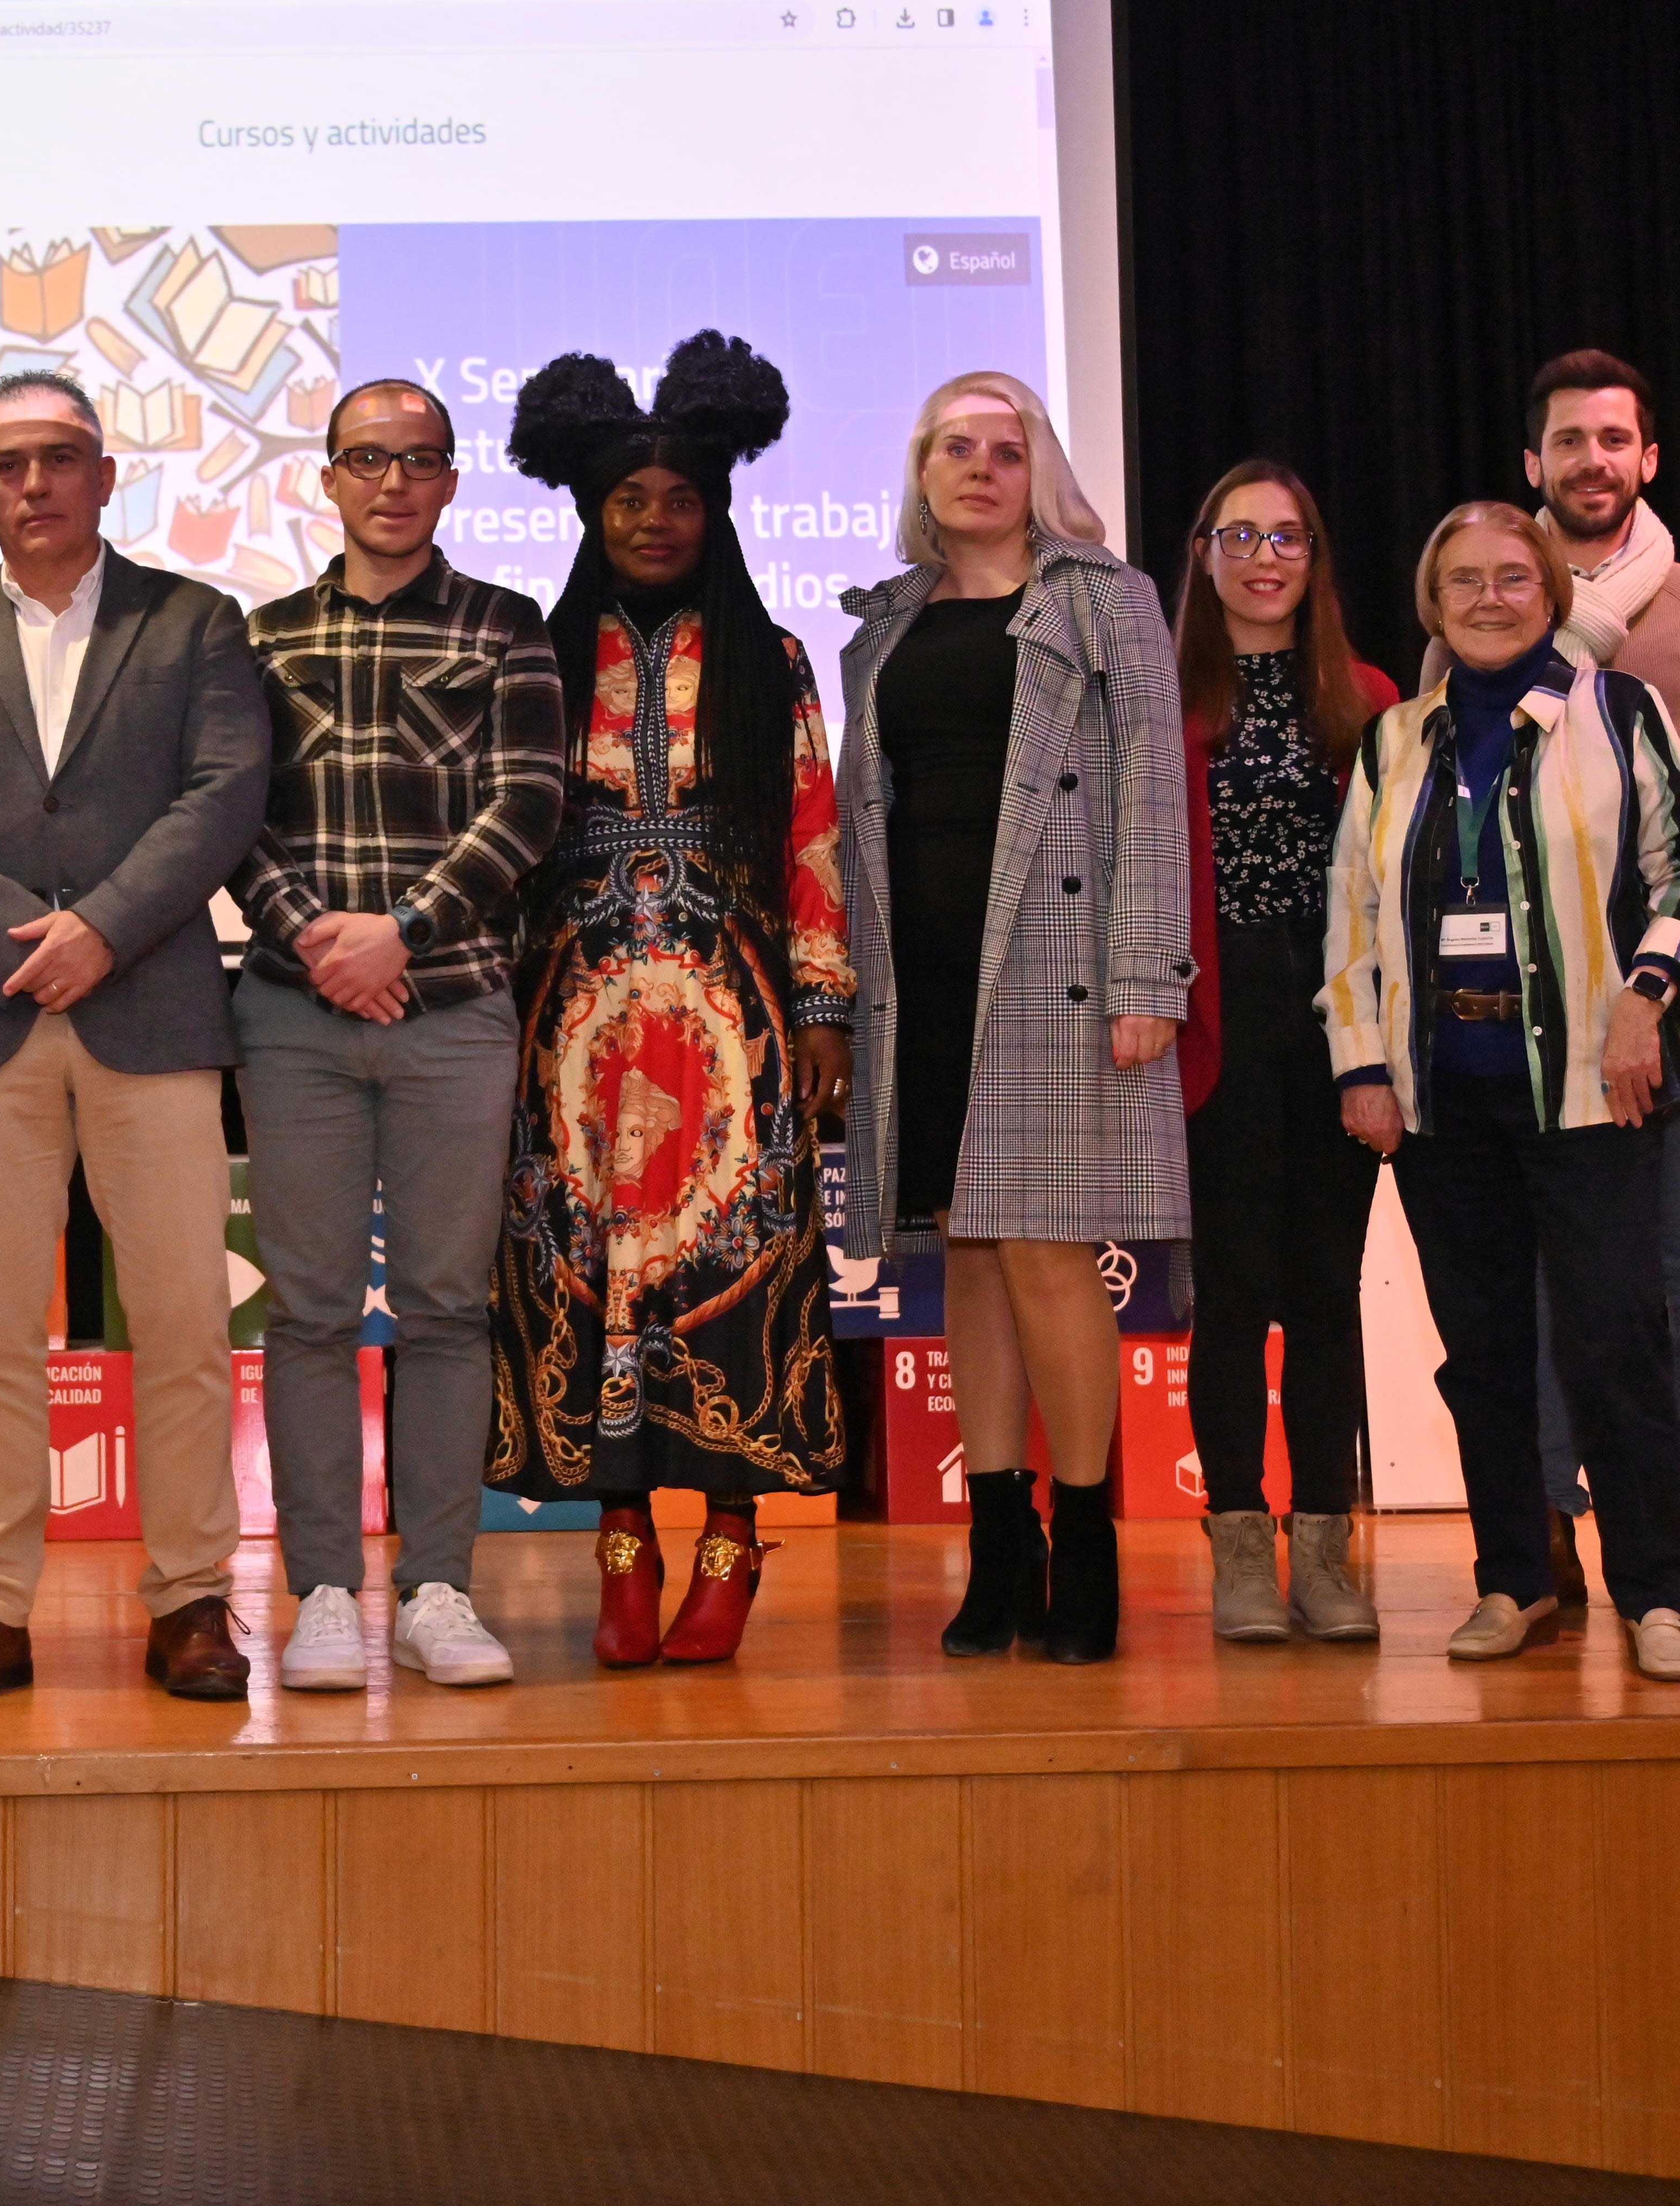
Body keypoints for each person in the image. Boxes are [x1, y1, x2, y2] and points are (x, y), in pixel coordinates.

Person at [0, 371, 271, 1708]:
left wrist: (101, 926)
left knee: (182, 1327)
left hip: (151, 1009)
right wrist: (21, 937)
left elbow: (223, 795)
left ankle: (192, 1599)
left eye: (59, 459)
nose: (34, 484)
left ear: (106, 476)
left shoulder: (195, 621)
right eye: (7, 465)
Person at [1321, 503, 1680, 1678]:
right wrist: (1361, 1061)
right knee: (1482, 1354)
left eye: (1511, 576)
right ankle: (1516, 1580)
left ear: (1549, 586)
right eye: (1463, 581)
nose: (1489, 597)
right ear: (1431, 602)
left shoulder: (1622, 711)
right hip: (1447, 1095)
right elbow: (1351, 912)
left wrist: (1647, 997)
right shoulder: (1395, 739)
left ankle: (1657, 1592)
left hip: (1595, 1089)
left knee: (1615, 1342)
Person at [495, 333, 852, 1668]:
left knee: (731, 1262)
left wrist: (824, 1010)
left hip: (736, 1016)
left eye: (681, 499)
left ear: (718, 512)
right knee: (589, 1272)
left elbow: (812, 839)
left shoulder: (775, 659)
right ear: (593, 512)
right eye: (631, 499)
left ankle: (733, 1541)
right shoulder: (539, 652)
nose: (655, 521)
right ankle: (624, 1543)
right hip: (572, 1015)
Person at [834, 374, 1191, 1665]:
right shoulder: (882, 626)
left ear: (1038, 467)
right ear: (921, 469)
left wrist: (1151, 974)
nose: (978, 468)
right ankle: (1000, 1551)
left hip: (1059, 970)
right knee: (963, 1259)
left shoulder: (1106, 601)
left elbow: (1152, 797)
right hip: (921, 975)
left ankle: (1085, 1548)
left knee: (1043, 1253)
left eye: (1004, 447)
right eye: (952, 446)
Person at [237, 380, 567, 1696]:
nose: (392, 482)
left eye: (419, 460)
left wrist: (402, 931)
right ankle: (321, 1590)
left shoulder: (507, 627)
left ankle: (438, 1587)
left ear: (449, 479)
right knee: (308, 1312)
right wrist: (324, 937)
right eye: (367, 460)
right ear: (327, 478)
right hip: (293, 1007)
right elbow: (228, 817)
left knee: (444, 1307)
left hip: (455, 1008)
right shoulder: (257, 640)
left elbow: (528, 805)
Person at [1507, 350, 1680, 1627]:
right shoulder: (1492, 601)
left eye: (1614, 439)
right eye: (1570, 441)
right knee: (1562, 1267)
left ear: (1649, 458)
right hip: (1544, 985)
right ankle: (1556, 1537)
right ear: (1534, 465)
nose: (1593, 462)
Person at [1173, 460, 1400, 1645]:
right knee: (1232, 1296)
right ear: (1204, 554)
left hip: (1335, 1024)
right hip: (1218, 1020)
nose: (1265, 557)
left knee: (1325, 1293)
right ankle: (1241, 1552)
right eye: (1241, 534)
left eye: (1290, 538)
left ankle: (1327, 1549)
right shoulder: (1160, 697)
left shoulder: (1365, 696)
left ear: (1314, 561)